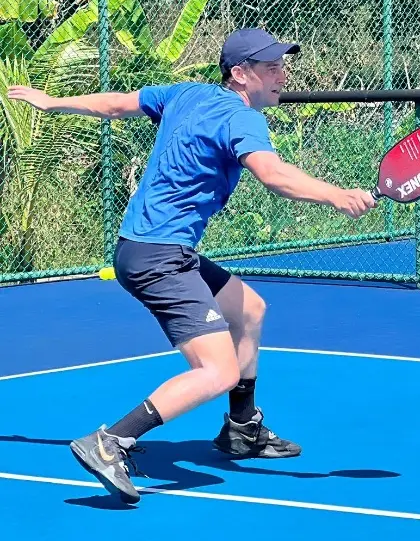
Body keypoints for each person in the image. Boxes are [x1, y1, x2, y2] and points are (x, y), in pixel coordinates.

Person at [7, 28, 376, 503]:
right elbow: (273, 174)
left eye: (283, 66)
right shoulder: (242, 121)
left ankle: (242, 428)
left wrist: (53, 102)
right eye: (271, 68)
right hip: (159, 258)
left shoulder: (186, 94)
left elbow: (117, 103)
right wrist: (336, 195)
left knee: (250, 309)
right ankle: (111, 441)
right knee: (217, 371)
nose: (282, 75)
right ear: (240, 74)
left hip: (146, 247)